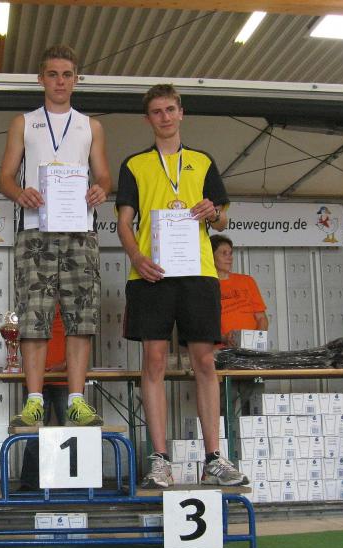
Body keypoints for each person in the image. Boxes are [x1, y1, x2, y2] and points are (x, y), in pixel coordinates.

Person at [115, 83, 248, 488]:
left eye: (170, 109)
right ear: (148, 119)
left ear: (181, 113)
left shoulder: (203, 161)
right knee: (154, 361)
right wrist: (136, 257)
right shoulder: (134, 164)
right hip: (151, 273)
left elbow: (223, 218)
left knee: (205, 362)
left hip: (198, 272)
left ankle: (214, 459)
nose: (165, 117)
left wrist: (212, 213)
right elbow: (124, 222)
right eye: (157, 111)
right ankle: (160, 460)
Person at [0, 44, 112, 427]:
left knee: (82, 316)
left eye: (66, 75)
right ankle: (33, 402)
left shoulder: (91, 126)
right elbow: (5, 177)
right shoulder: (24, 123)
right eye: (52, 74)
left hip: (80, 230)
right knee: (34, 315)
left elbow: (104, 176)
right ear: (41, 79)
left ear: (76, 79)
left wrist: (100, 190)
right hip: (35, 229)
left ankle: (77, 401)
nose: (60, 81)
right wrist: (19, 194)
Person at [211, 234, 268, 415]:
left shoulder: (247, 281)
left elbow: (262, 318)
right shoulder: (207, 285)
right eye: (224, 253)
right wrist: (224, 338)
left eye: (231, 253)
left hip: (250, 355)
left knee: (254, 408)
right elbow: (201, 325)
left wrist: (256, 340)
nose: (229, 257)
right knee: (221, 408)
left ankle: (252, 433)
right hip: (221, 355)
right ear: (211, 256)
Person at [19, 305, 68, 491]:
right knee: (34, 430)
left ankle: (74, 480)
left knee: (71, 429)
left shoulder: (70, 303)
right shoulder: (32, 303)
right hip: (35, 378)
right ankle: (30, 482)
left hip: (64, 376)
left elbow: (79, 339)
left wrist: (66, 364)